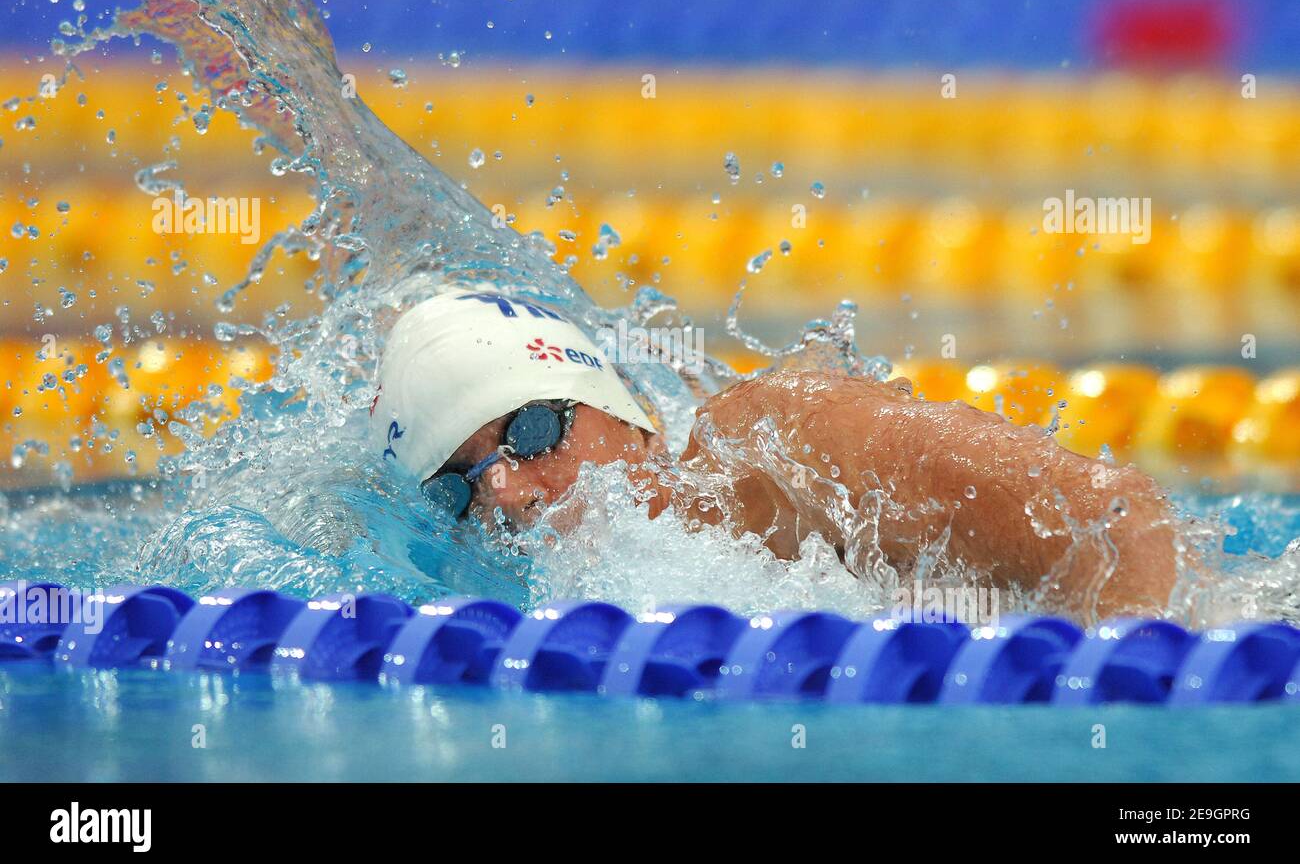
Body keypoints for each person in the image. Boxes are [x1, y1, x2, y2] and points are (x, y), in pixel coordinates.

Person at [371, 286, 1186, 621]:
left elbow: (1115, 523)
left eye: (532, 430)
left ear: (629, 412)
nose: (508, 493)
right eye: (459, 486)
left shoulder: (774, 442)